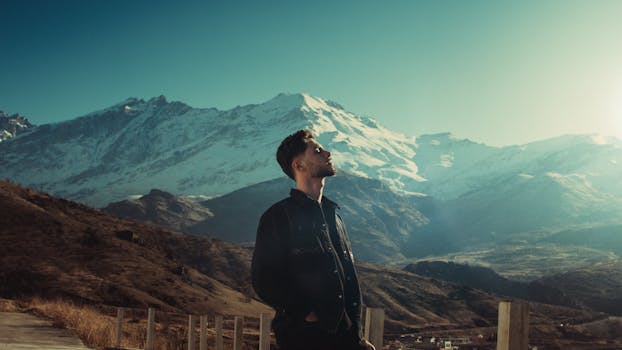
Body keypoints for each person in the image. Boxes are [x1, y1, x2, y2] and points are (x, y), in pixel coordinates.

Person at [251, 130, 375, 350]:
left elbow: (348, 281)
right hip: (304, 338)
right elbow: (264, 280)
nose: (327, 153)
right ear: (299, 166)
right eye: (317, 151)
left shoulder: (334, 215)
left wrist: (357, 338)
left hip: (346, 340)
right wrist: (308, 313)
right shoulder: (278, 217)